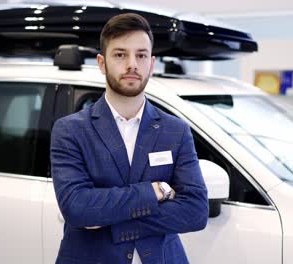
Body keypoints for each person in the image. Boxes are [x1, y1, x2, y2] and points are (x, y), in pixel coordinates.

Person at [50, 13, 209, 264]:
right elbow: (78, 208)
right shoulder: (70, 131)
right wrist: (155, 191)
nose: (132, 64)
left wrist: (108, 219)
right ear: (102, 63)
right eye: (120, 54)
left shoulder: (175, 130)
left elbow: (196, 212)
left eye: (141, 55)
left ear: (151, 63)